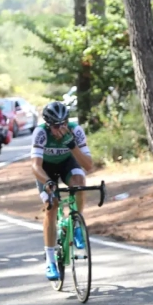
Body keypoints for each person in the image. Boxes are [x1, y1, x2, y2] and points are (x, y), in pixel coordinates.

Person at [30, 101, 93, 281]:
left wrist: (72, 145)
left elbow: (88, 165)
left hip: (67, 163)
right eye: (57, 126)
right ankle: (50, 261)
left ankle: (76, 223)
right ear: (49, 125)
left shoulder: (75, 130)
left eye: (64, 123)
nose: (61, 129)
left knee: (79, 182)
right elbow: (35, 166)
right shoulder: (41, 133)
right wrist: (48, 182)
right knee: (52, 206)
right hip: (45, 170)